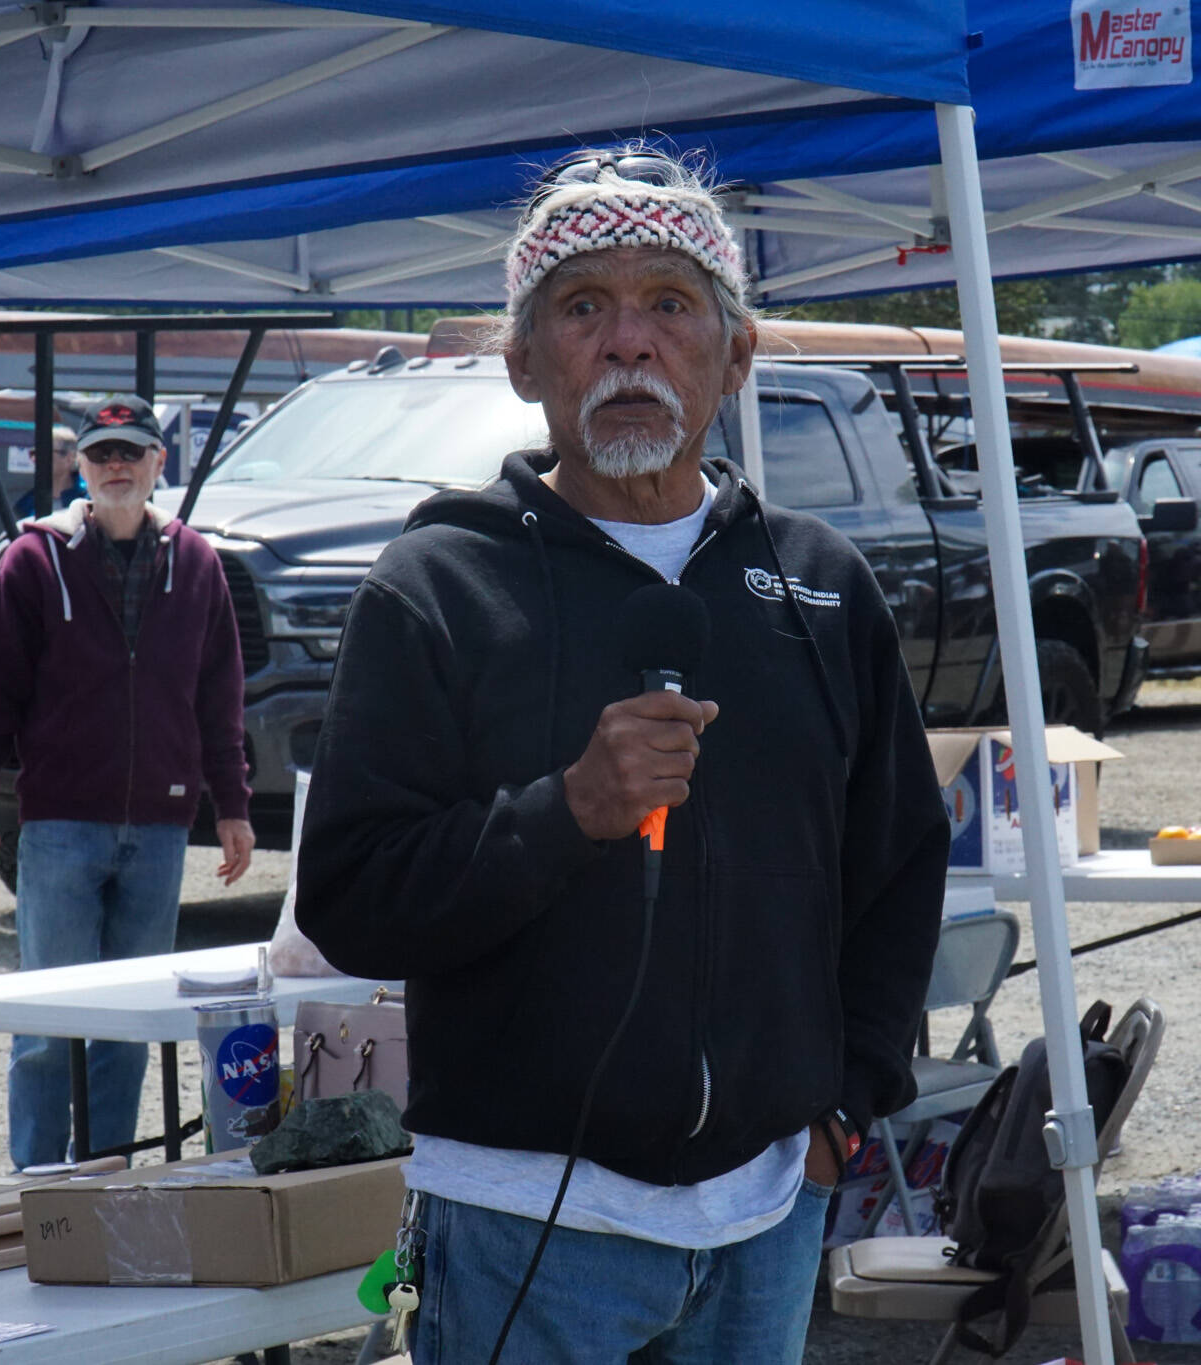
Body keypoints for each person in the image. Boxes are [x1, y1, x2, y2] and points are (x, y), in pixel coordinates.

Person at [294, 148, 948, 1363]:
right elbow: (350, 898)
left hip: (767, 1210)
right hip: (523, 1224)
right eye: (583, 307)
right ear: (524, 361)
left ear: (734, 357)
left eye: (670, 304)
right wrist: (565, 812)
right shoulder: (437, 585)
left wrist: (848, 1097)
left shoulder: (817, 585)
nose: (628, 344)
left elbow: (899, 865)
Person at [0, 394, 255, 1169]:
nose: (116, 466)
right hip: (59, 825)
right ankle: (37, 1186)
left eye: (132, 452)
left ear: (161, 463)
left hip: (159, 828)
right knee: (47, 1027)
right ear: (79, 468)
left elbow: (219, 694)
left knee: (130, 1024)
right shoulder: (33, 559)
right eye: (101, 454)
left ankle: (110, 1187)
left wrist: (233, 804)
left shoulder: (197, 563)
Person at [12, 427, 86, 520]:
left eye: (44, 452)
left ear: (69, 458)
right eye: (33, 453)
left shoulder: (90, 500)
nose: (35, 459)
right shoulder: (25, 506)